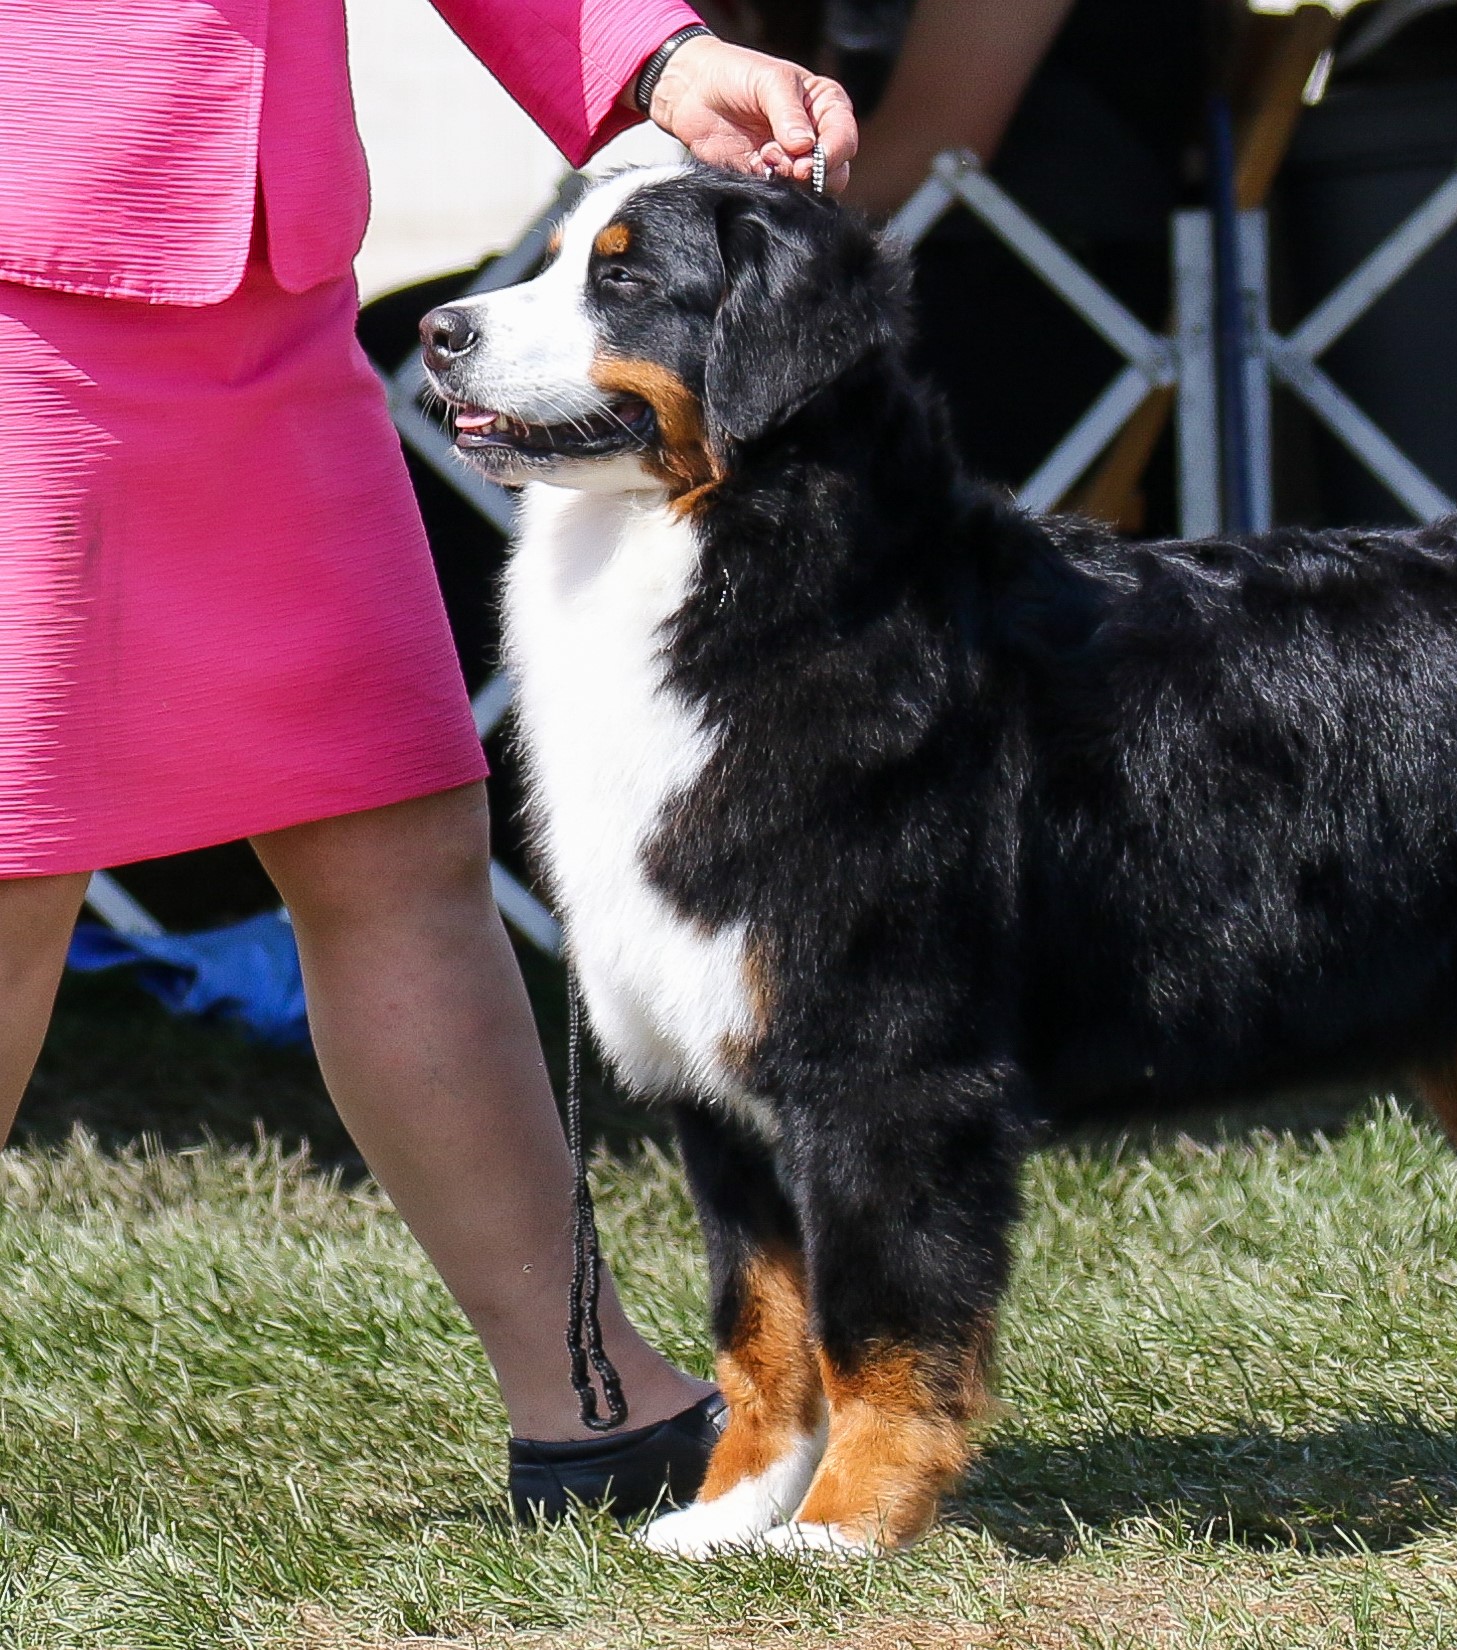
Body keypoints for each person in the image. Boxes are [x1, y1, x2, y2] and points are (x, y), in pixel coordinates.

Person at [0, 1, 856, 1519]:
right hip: (28, 275)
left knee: (394, 832)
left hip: (271, 296)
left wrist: (660, 63)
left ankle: (594, 1406)